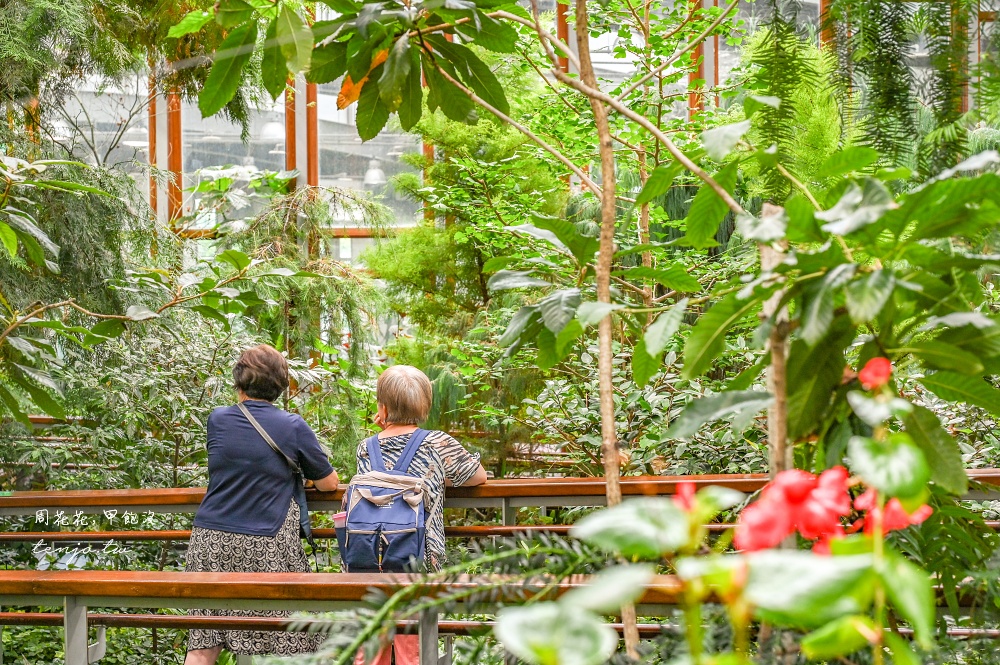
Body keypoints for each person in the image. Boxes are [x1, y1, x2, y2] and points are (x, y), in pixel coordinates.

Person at [185, 344, 339, 665]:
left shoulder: (217, 420)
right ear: (280, 386)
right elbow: (329, 483)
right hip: (265, 543)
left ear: (239, 381)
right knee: (303, 631)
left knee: (203, 642)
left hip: (208, 541)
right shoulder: (293, 426)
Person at [353, 365, 487, 665]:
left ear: (382, 407)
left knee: (371, 640)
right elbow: (477, 477)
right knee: (412, 646)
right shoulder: (437, 443)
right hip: (419, 558)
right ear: (425, 405)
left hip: (371, 555)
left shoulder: (366, 447)